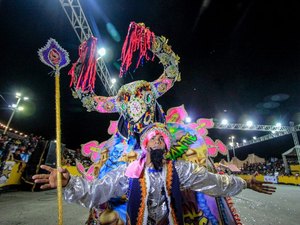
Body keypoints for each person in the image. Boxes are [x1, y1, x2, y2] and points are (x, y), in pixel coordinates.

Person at [33, 123, 276, 224]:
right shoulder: (126, 173)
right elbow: (96, 191)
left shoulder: (181, 169)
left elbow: (217, 183)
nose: (159, 140)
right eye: (154, 137)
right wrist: (68, 183)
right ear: (146, 145)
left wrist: (244, 182)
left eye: (163, 138)